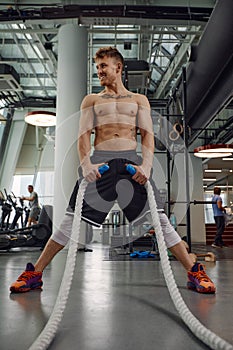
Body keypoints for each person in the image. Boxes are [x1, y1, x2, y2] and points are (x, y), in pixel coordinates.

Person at [10, 47, 215, 294]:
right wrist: (86, 164)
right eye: (97, 68)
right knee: (69, 223)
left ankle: (194, 273)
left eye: (103, 66)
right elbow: (83, 135)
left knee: (160, 221)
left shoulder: (139, 101)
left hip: (131, 163)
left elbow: (148, 135)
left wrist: (147, 166)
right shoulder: (92, 100)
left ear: (118, 68)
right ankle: (35, 273)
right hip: (100, 163)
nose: (99, 72)